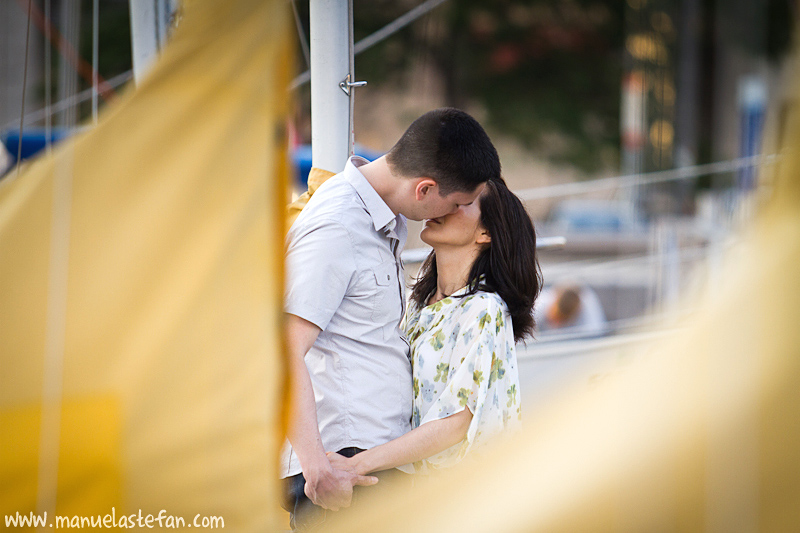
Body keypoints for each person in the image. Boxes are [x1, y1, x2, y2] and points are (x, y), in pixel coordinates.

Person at [282, 108, 502, 530]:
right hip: (344, 465)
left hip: (363, 463)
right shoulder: (339, 226)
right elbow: (283, 348)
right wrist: (317, 469)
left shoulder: (379, 220)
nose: (450, 213)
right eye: (456, 203)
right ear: (425, 189)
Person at [328, 178, 542, 477]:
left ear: (486, 233)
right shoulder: (417, 303)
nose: (444, 203)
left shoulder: (484, 308)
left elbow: (457, 420)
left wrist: (358, 464)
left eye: (462, 202)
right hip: (408, 482)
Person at [534, 282, 608, 338]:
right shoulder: (540, 303)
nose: (556, 325)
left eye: (560, 320)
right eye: (553, 319)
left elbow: (595, 334)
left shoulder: (588, 317)